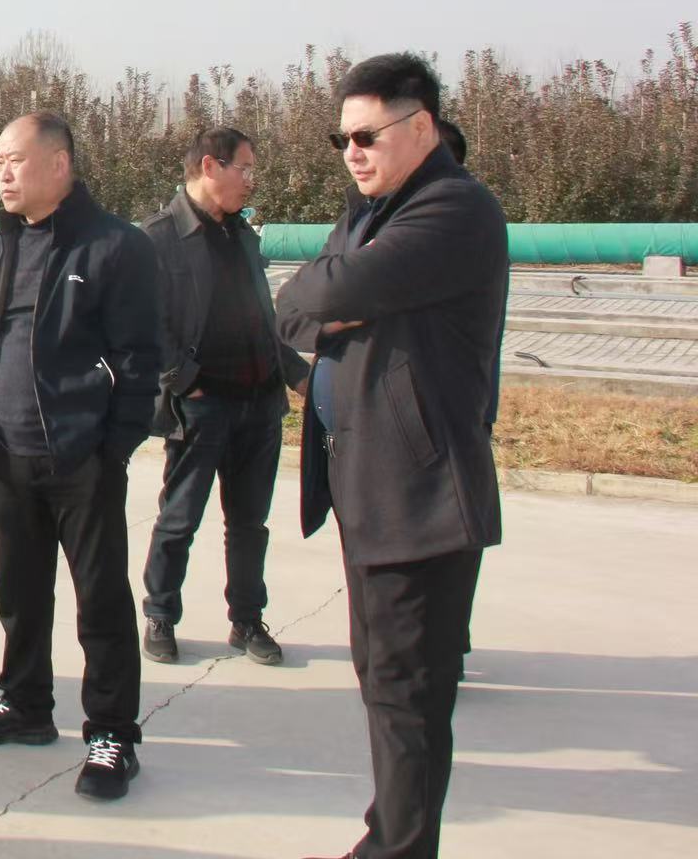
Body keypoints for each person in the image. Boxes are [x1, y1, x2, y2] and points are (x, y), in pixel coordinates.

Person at [276, 54, 508, 859]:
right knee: (382, 684)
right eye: (341, 139)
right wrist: (336, 297)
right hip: (366, 485)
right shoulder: (368, 216)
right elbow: (293, 308)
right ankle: (386, 840)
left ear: (422, 126)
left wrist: (336, 297)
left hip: (422, 495)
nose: (352, 152)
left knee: (410, 699)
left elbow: (325, 293)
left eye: (367, 136)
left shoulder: (455, 209)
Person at [0, 112, 160, 801]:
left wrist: (112, 446)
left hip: (79, 458)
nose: (3, 173)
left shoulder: (115, 246)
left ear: (60, 163)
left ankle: (112, 734)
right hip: (2, 450)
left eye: (15, 159)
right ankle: (25, 704)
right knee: (19, 590)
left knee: (100, 600)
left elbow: (141, 358)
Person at [137, 128, 310, 667]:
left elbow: (263, 317)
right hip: (201, 406)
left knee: (250, 524)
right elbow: (145, 325)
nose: (251, 180)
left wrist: (298, 375)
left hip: (259, 404)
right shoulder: (160, 238)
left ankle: (247, 620)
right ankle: (160, 614)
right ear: (210, 167)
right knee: (179, 518)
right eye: (245, 168)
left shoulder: (242, 236)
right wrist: (183, 379)